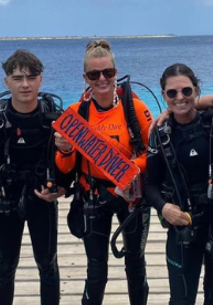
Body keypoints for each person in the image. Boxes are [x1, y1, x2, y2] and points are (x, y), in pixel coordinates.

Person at [55, 39, 153, 305]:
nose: (101, 79)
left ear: (116, 73)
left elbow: (154, 155)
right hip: (93, 197)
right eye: (94, 74)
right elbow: (65, 166)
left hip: (130, 197)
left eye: (107, 72)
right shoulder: (76, 113)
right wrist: (64, 149)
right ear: (85, 77)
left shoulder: (137, 109)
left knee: (136, 263)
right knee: (96, 270)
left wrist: (132, 170)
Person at [0, 49, 65, 305]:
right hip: (6, 198)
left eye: (31, 77)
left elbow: (85, 155)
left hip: (42, 198)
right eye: (17, 78)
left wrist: (63, 188)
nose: (25, 84)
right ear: (6, 82)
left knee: (47, 263)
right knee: (4, 267)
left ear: (40, 80)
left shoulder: (56, 114)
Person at [144, 64, 213, 305]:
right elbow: (149, 184)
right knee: (181, 300)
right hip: (183, 225)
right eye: (172, 93)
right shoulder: (161, 133)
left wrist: (203, 102)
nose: (180, 98)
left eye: (186, 91)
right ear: (163, 96)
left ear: (197, 89)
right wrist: (163, 207)